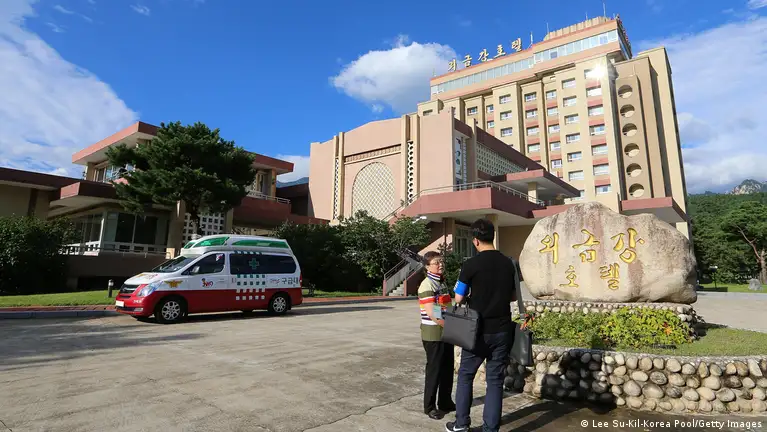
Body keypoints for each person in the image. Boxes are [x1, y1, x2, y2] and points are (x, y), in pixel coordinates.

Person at [445, 218, 519, 432]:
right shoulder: (509, 263)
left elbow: (458, 298)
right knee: (495, 381)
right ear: (492, 237)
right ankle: (491, 428)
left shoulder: (470, 265)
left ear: (475, 240)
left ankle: (461, 424)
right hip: (502, 330)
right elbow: (514, 296)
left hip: (476, 331)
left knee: (466, 376)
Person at [418, 251, 456, 420]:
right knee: (434, 370)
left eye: (441, 261)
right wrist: (449, 326)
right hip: (433, 333)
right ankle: (430, 406)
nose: (441, 265)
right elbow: (433, 312)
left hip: (445, 331)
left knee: (447, 368)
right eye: (436, 262)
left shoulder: (441, 282)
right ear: (427, 267)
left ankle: (445, 401)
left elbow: (447, 306)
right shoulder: (427, 285)